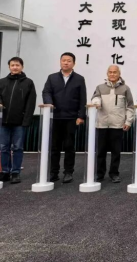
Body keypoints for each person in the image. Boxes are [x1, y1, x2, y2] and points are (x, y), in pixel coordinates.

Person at [0, 57, 36, 184]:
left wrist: (26, 120)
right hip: (4, 120)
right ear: (9, 67)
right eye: (12, 65)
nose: (15, 67)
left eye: (17, 65)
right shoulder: (2, 82)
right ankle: (5, 171)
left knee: (17, 147)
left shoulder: (28, 83)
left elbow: (31, 103)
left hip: (19, 122)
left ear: (22, 67)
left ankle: (15, 172)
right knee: (4, 147)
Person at [42, 52, 87, 184]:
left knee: (69, 146)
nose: (66, 63)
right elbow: (46, 92)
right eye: (63, 60)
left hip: (71, 118)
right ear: (60, 62)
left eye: (69, 61)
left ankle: (68, 172)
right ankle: (53, 172)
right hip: (55, 117)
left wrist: (81, 116)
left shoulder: (79, 79)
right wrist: (49, 103)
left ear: (74, 63)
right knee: (54, 146)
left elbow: (82, 98)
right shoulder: (52, 78)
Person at [91, 65, 134, 183]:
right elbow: (95, 98)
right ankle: (99, 174)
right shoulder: (100, 87)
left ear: (119, 74)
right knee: (100, 152)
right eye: (110, 72)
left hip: (117, 125)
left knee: (116, 152)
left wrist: (128, 121)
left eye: (115, 72)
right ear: (107, 74)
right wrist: (96, 102)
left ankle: (114, 173)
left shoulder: (125, 88)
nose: (112, 74)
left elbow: (130, 106)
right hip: (102, 124)